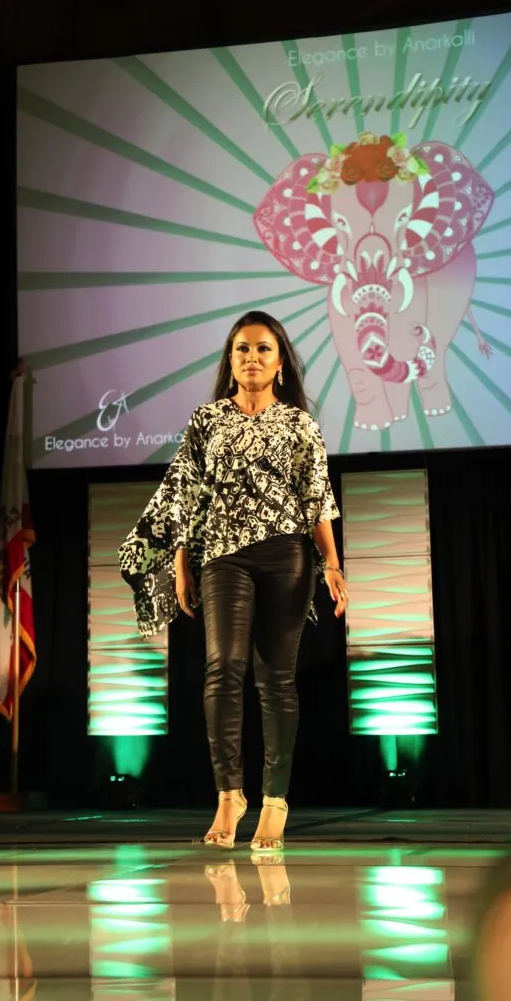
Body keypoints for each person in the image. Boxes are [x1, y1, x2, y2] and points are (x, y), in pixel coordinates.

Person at [118, 311, 348, 852]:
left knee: (276, 680)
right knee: (222, 668)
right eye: (242, 348)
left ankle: (275, 801)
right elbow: (185, 493)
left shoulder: (299, 424)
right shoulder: (207, 420)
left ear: (280, 362)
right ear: (230, 359)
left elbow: (317, 500)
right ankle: (229, 795)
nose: (252, 358)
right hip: (223, 557)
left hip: (287, 555)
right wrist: (181, 561)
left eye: (263, 349)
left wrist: (332, 564)